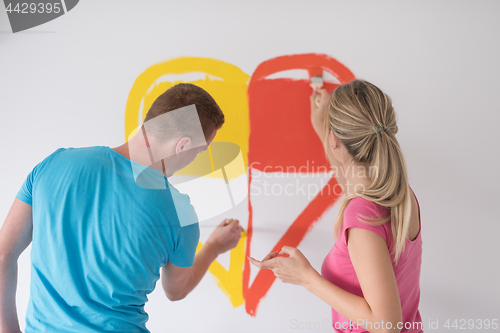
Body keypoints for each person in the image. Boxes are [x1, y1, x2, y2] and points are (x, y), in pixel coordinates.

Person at [0, 83, 243, 333]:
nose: (195, 158)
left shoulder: (53, 165)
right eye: (200, 151)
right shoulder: (180, 212)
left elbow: (2, 254)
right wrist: (214, 247)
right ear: (182, 145)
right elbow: (176, 291)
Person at [249, 79, 423, 333]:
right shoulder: (400, 194)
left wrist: (307, 278)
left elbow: (387, 326)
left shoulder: (362, 217)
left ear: (336, 141)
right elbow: (356, 182)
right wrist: (323, 129)